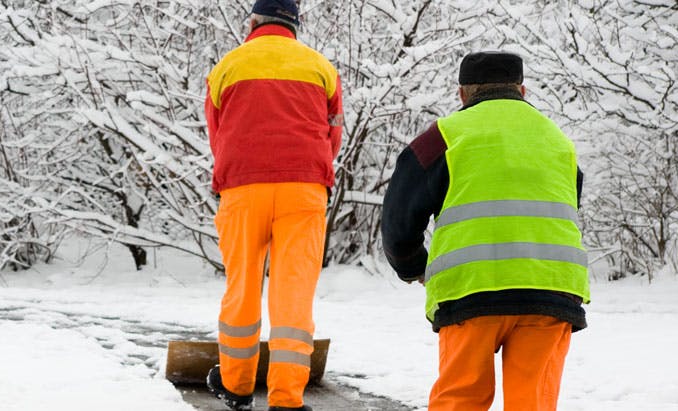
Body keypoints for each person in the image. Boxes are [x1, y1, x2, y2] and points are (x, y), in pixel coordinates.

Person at [380, 51, 590, 411]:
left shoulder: (445, 136)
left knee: (460, 400)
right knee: (533, 403)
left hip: (471, 291)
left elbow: (399, 212)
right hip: (553, 291)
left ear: (463, 94)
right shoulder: (558, 141)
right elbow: (569, 202)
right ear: (522, 90)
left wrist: (412, 264)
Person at [202, 1, 343, 410]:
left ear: (253, 22)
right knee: (294, 294)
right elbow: (331, 136)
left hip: (244, 190)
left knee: (242, 288)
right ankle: (286, 398)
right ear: (295, 25)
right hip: (304, 190)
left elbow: (217, 133)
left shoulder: (228, 66)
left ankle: (237, 385)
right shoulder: (321, 68)